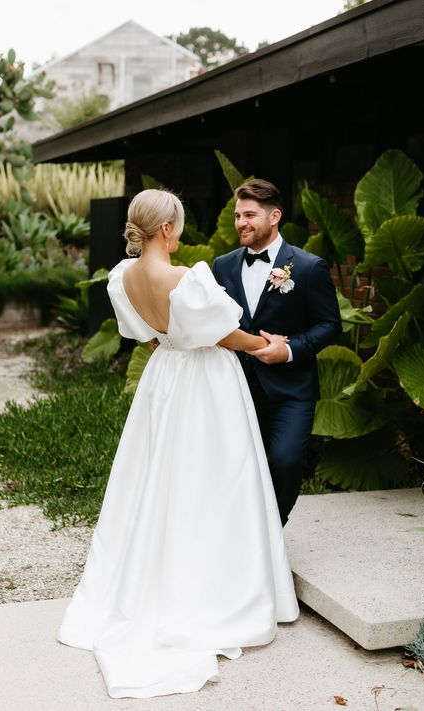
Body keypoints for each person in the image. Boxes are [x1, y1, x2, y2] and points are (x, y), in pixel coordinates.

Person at [57, 188, 299, 699]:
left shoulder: (123, 277)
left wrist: (171, 340)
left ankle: (157, 568)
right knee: (213, 478)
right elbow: (225, 333)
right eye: (180, 223)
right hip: (205, 383)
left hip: (163, 377)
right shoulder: (188, 278)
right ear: (167, 229)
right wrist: (267, 346)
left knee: (159, 473)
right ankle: (212, 585)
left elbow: (144, 333)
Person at [213, 179, 342, 527]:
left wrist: (288, 350)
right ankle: (244, 539)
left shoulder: (308, 267)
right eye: (238, 215)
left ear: (275, 217)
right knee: (236, 467)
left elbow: (330, 325)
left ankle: (271, 534)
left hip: (291, 391)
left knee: (284, 463)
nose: (241, 222)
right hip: (237, 387)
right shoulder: (222, 266)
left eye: (250, 214)